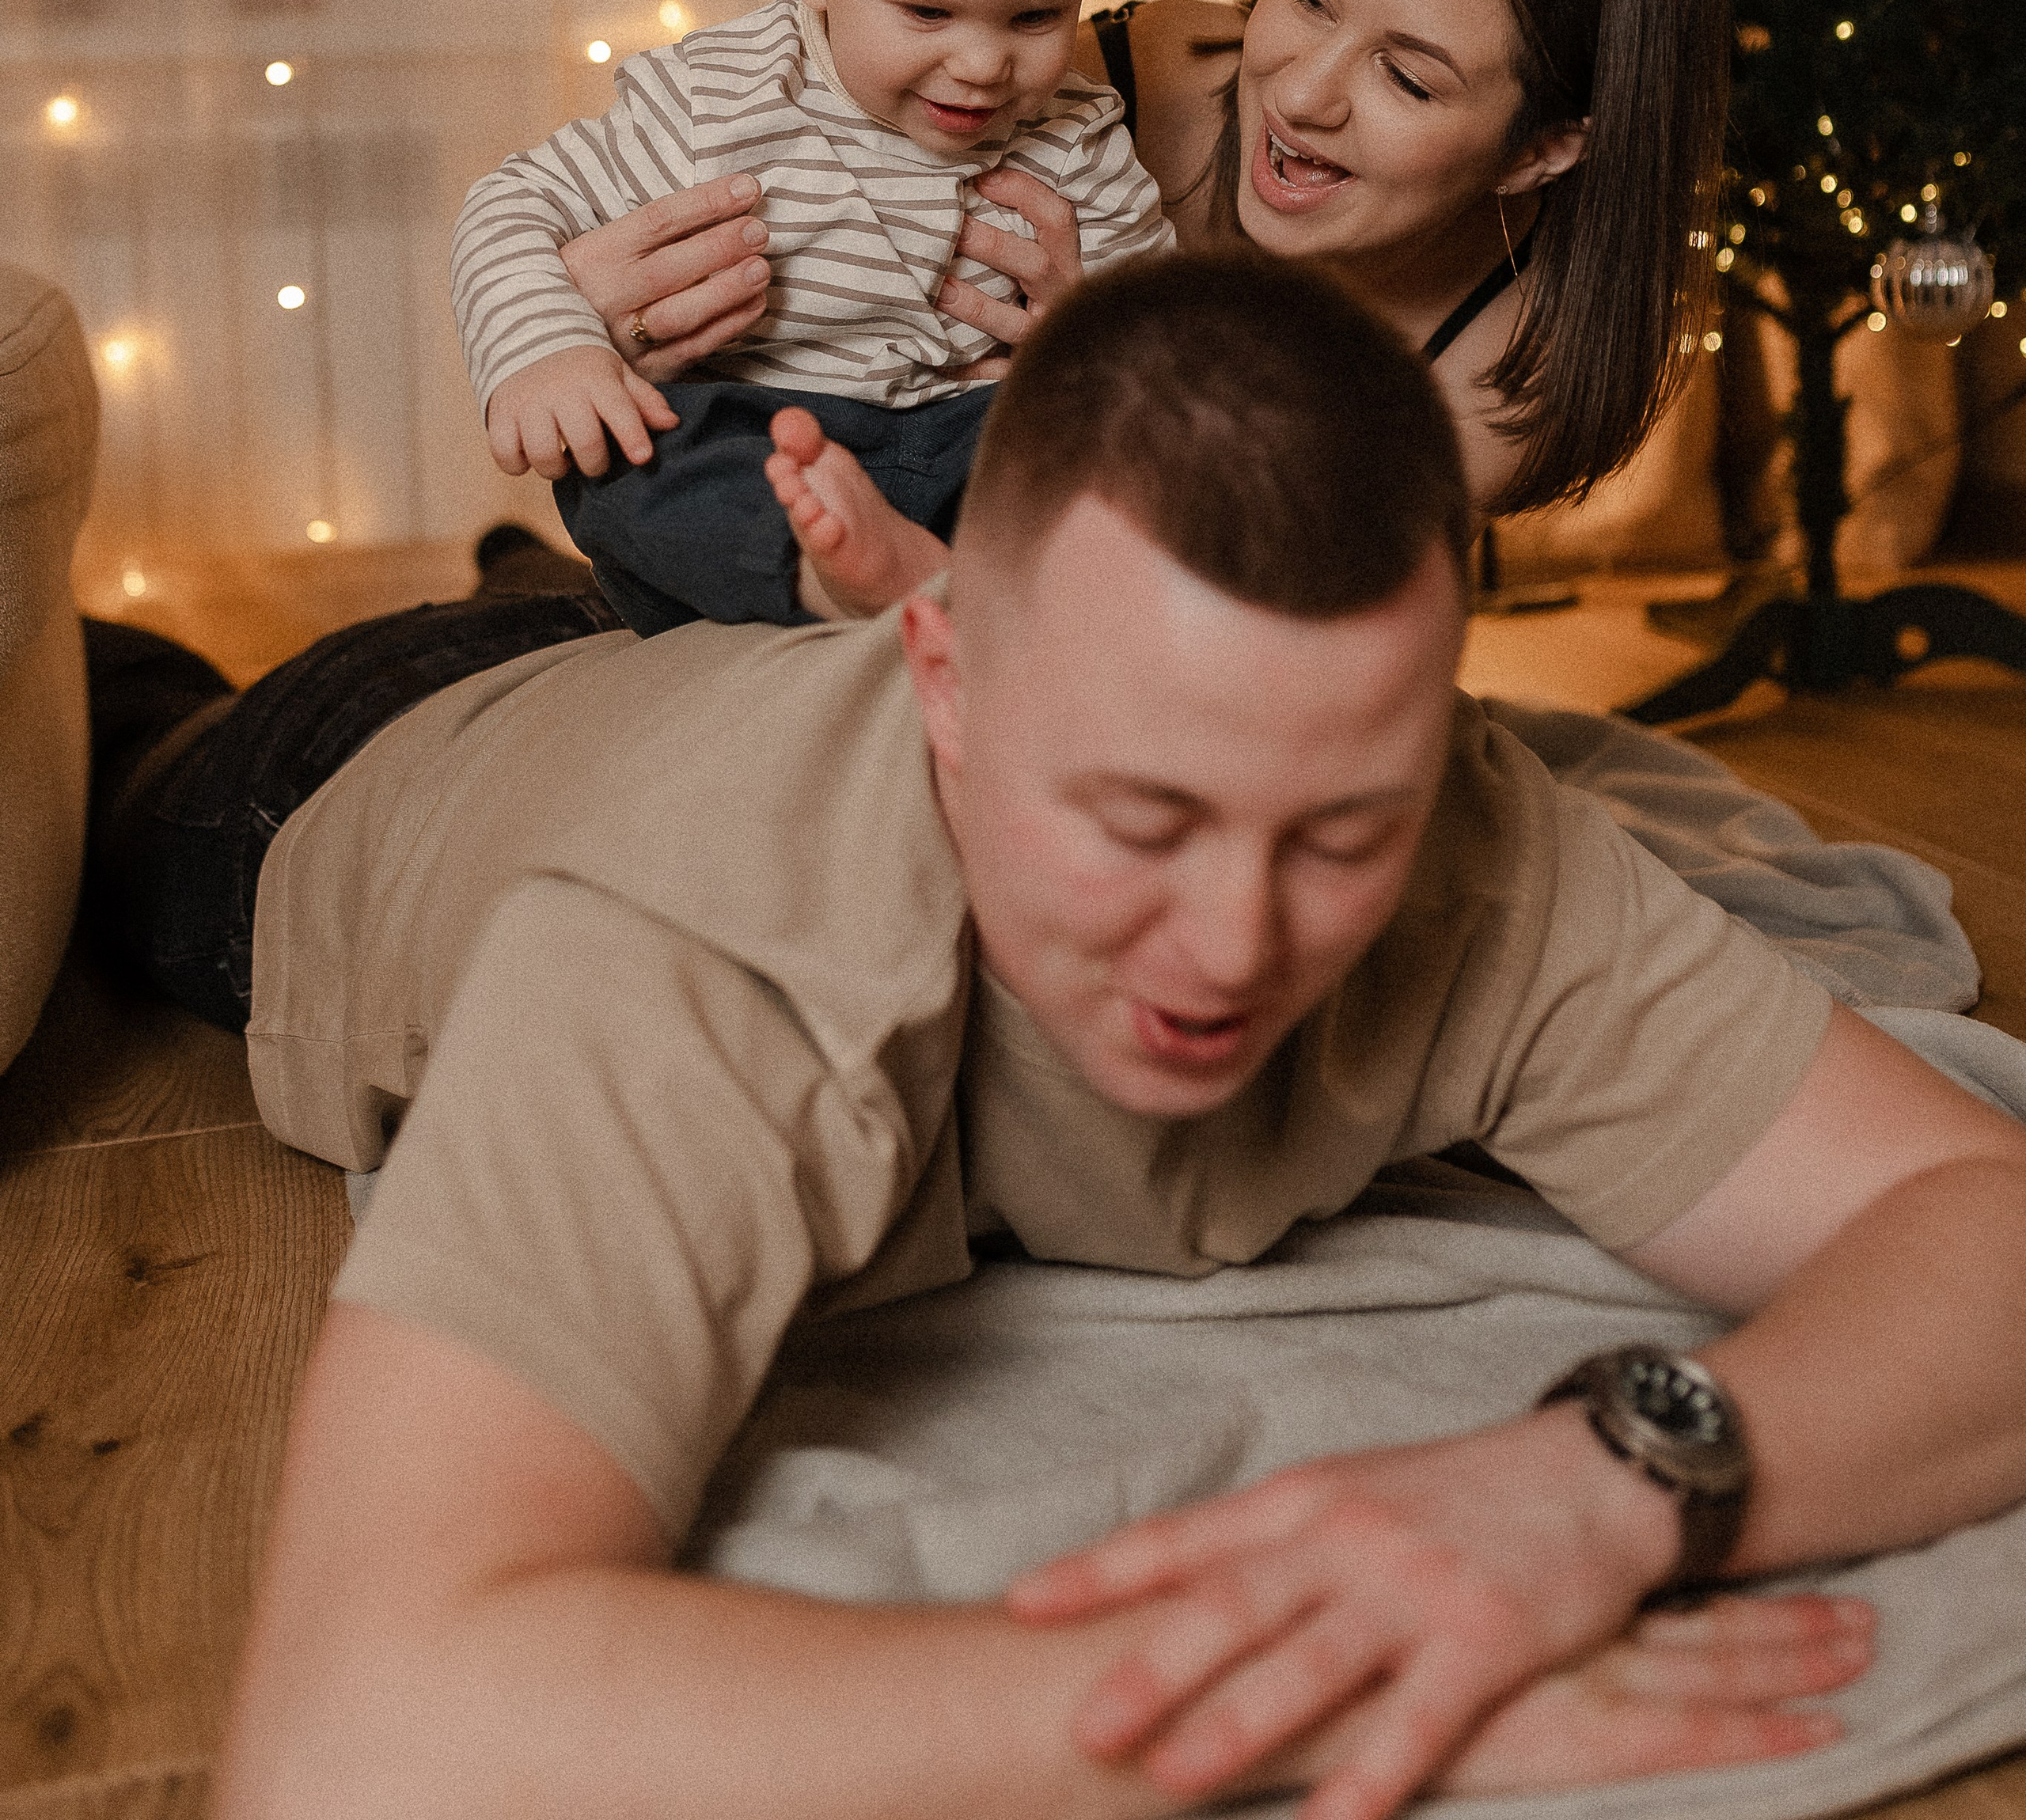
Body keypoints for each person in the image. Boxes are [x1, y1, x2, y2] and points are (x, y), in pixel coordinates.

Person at [82, 256, 2026, 1818]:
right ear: (939, 666)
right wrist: (1317, 1700)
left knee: (601, 625)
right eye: (1141, 816)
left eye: (1336, 828)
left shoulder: (1470, 825)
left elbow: (1979, 1222)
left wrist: (1603, 1484)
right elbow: (364, 1739)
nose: (1232, 940)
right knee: (112, 724)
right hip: (338, 774)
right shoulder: (702, 948)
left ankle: (561, 601)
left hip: (676, 674)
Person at [556, 0, 1729, 610]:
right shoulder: (1137, 78)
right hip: (813, 487)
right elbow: (819, 110)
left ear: (1544, 150)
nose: (1303, 92)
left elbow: (1256, 605)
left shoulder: (1500, 366)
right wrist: (597, 301)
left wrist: (1105, 365)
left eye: (1408, 77)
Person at [452, 0, 1170, 634]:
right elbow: (510, 202)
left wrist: (1091, 348)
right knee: (627, 454)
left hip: (972, 448)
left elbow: (1171, 348)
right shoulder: (722, 99)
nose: (982, 64)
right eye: (926, 11)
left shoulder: (1077, 138)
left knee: (1113, 452)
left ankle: (956, 578)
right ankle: (820, 574)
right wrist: (549, 350)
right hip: (771, 444)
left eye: (1037, 13)